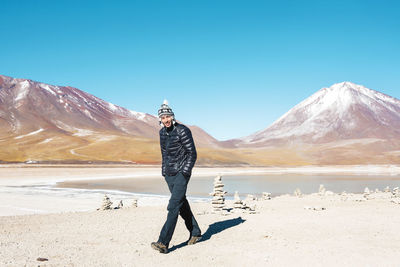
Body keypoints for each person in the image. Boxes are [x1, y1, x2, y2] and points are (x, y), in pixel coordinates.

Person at [151, 100, 202, 254]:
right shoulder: (161, 133)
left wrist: (185, 172)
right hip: (169, 174)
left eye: (168, 116)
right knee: (181, 204)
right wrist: (164, 171)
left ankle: (163, 242)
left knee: (173, 206)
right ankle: (195, 232)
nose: (165, 120)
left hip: (181, 173)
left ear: (172, 117)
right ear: (160, 119)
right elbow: (164, 153)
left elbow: (192, 153)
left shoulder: (182, 130)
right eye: (163, 117)